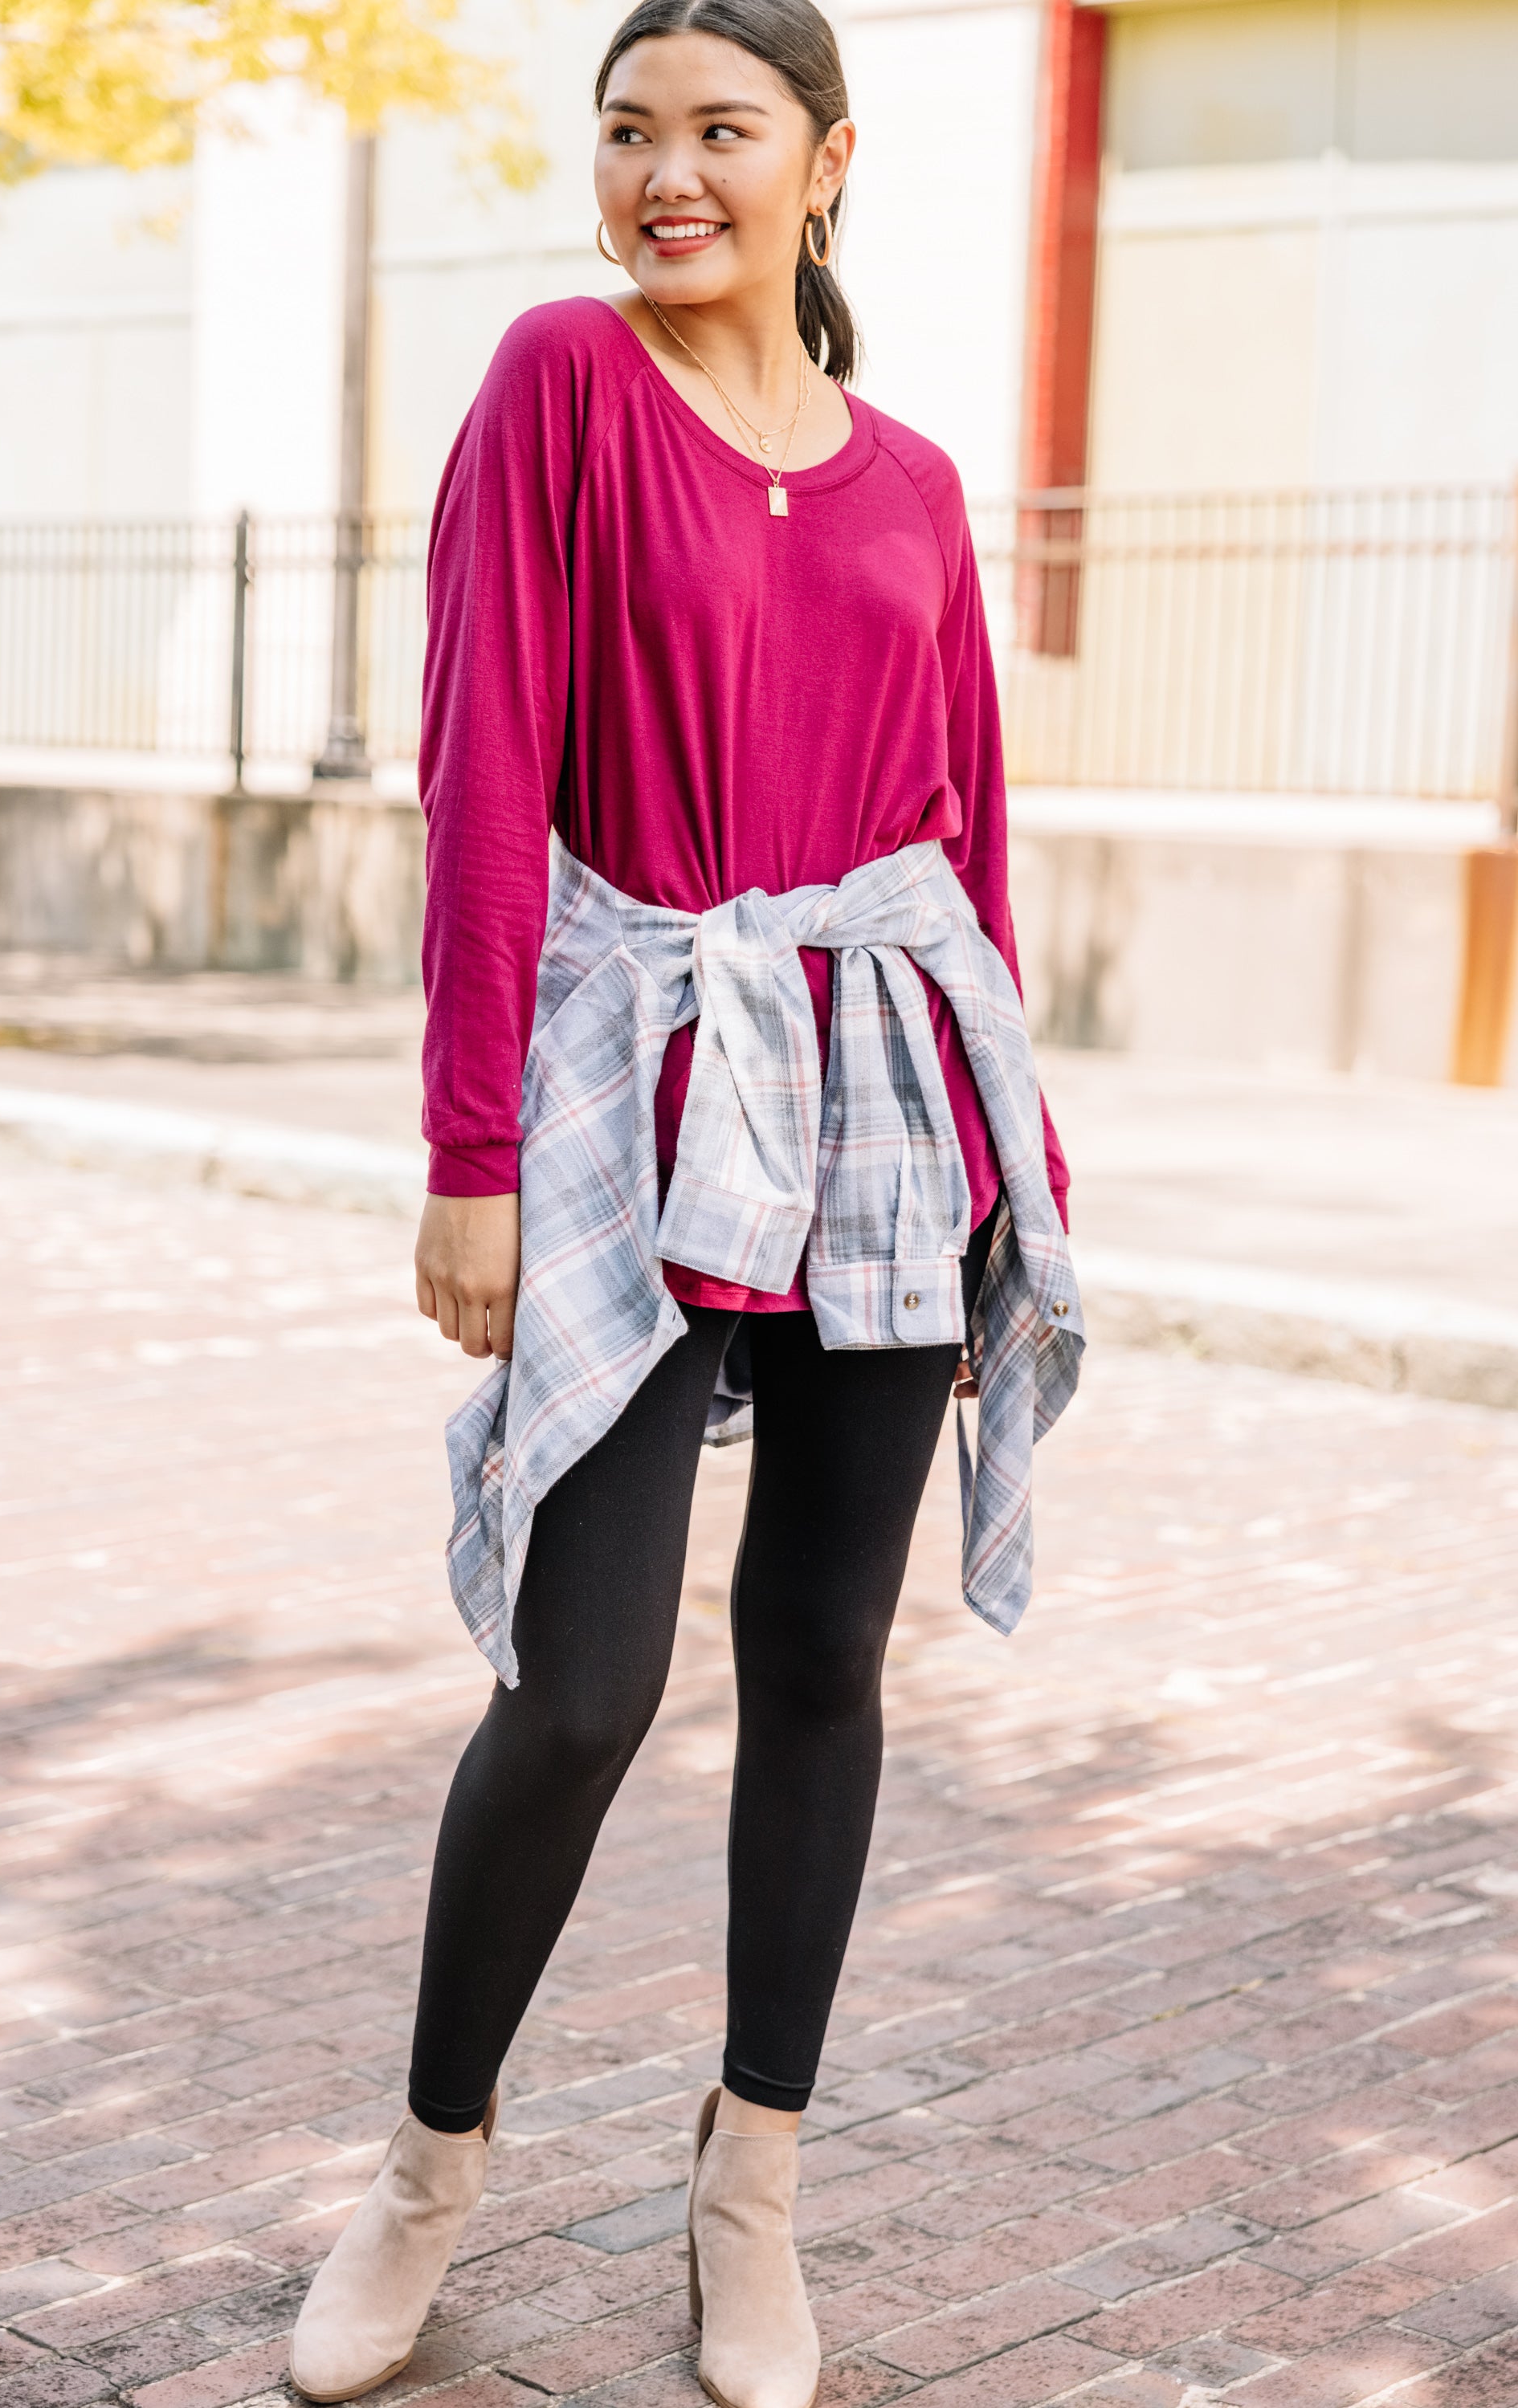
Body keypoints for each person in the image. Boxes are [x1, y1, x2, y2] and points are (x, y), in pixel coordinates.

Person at [288, 2, 1080, 2401]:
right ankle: (430, 2172)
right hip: (628, 1083)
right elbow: (484, 778)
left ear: (822, 164)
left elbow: (970, 843)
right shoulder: (558, 381)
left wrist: (1010, 1173)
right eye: (628, 131)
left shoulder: (921, 481)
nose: (666, 175)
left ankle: (754, 2193)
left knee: (828, 1656)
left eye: (720, 133)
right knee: (585, 1675)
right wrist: (468, 1159)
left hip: (885, 1094)